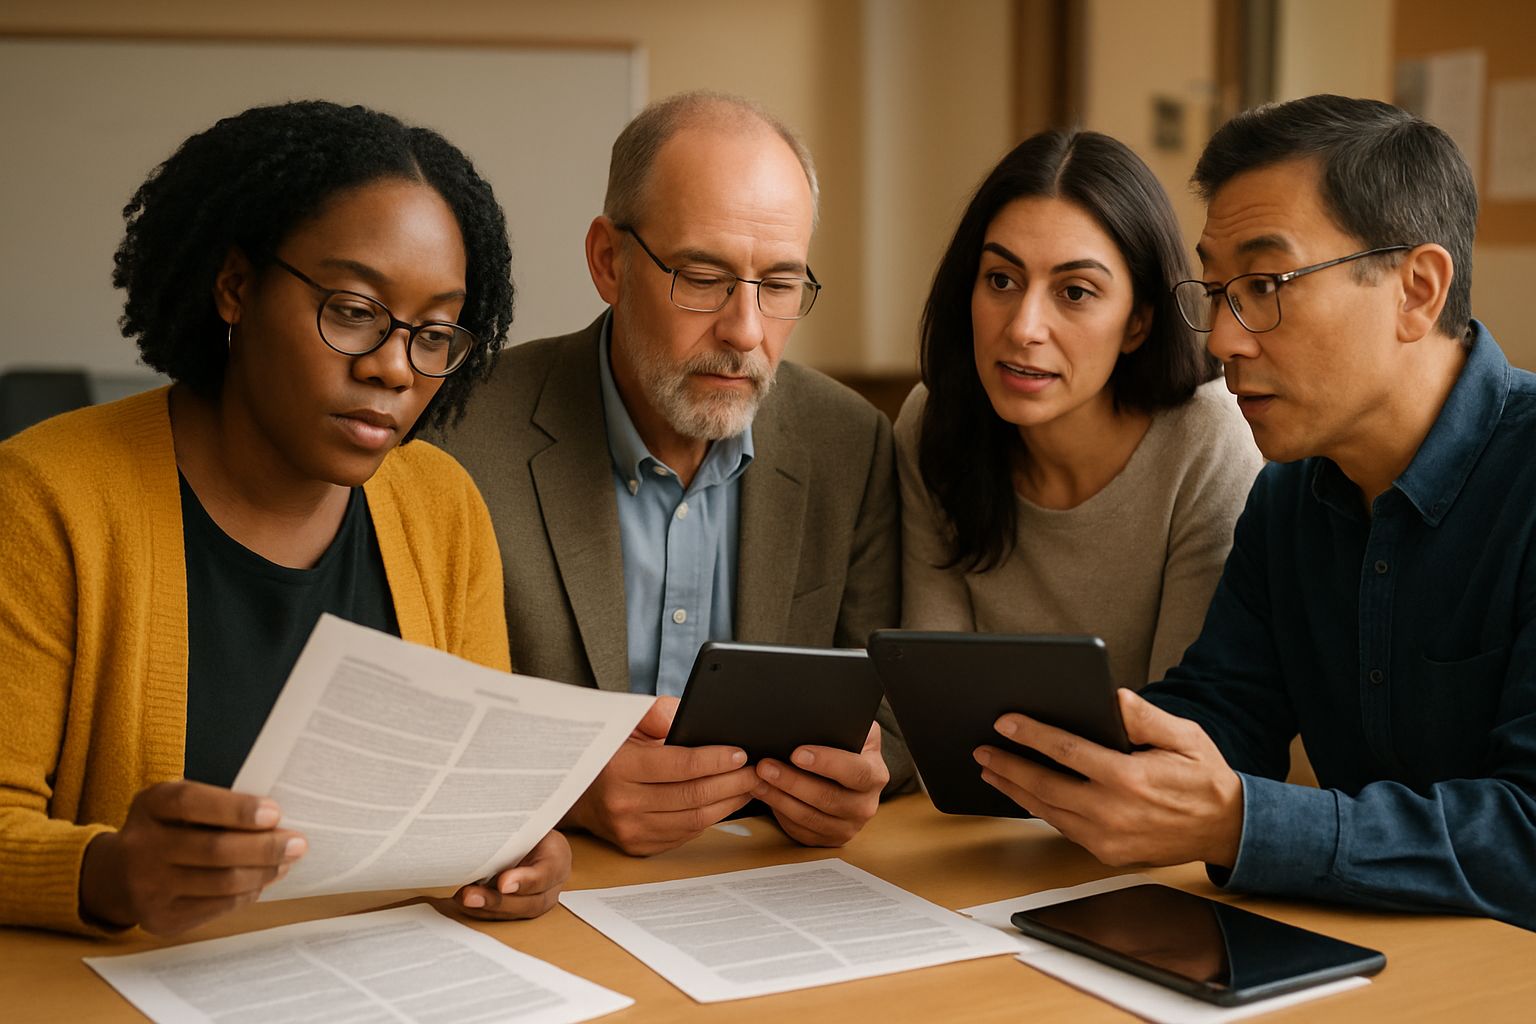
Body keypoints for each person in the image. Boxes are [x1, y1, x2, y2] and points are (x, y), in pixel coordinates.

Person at [0, 100, 568, 937]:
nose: (392, 369)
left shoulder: (441, 507)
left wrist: (517, 849)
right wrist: (107, 874)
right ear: (236, 286)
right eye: (351, 310)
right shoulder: (47, 498)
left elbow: (472, 793)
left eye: (434, 333)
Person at [973, 94, 1536, 930]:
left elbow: (1525, 835)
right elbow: (1224, 712)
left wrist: (1244, 821)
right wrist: (1081, 753)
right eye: (1217, 288)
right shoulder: (1290, 495)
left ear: (1417, 291)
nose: (1222, 340)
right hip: (1364, 953)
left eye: (1266, 285)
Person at [436, 91, 911, 857]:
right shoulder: (458, 436)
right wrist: (570, 792)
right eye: (702, 276)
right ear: (608, 262)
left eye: (781, 285)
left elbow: (894, 715)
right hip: (551, 893)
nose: (746, 331)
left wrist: (860, 780)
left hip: (768, 882)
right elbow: (409, 726)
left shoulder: (849, 445)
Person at [897, 129, 1262, 688]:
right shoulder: (934, 420)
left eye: (1074, 292)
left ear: (1138, 321)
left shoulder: (1208, 439)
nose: (1023, 328)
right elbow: (932, 693)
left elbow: (1184, 724)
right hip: (965, 776)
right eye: (1001, 280)